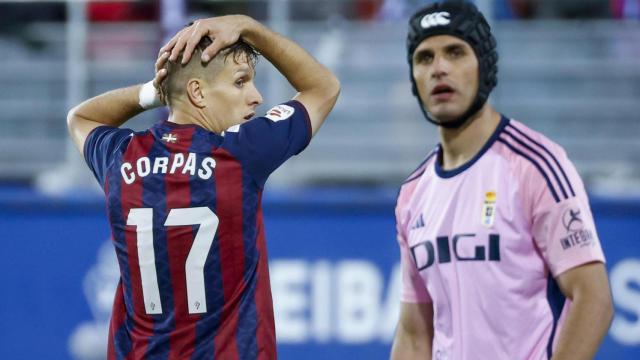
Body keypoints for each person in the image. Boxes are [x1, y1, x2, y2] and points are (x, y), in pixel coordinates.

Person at [67, 15, 339, 359]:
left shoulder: (122, 158)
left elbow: (80, 117)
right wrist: (247, 26)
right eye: (241, 82)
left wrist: (154, 92)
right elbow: (323, 87)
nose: (256, 97)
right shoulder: (239, 154)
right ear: (197, 91)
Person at [390, 1, 613, 359]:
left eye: (455, 52)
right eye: (424, 58)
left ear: (485, 66)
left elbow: (593, 299)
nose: (439, 69)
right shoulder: (412, 193)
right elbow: (415, 333)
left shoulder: (536, 164)